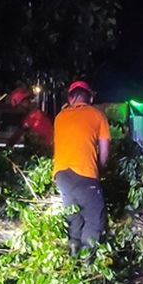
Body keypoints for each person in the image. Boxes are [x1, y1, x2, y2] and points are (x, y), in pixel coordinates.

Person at [52, 80, 111, 255]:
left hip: (61, 175)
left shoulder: (59, 117)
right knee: (94, 220)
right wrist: (98, 171)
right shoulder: (97, 115)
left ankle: (73, 263)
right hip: (84, 173)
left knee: (74, 219)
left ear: (70, 98)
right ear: (90, 98)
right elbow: (105, 151)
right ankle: (86, 266)